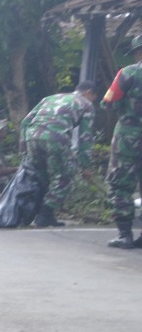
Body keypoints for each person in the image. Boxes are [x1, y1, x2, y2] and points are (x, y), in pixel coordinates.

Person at [21, 84, 98, 227]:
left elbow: (25, 122)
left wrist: (23, 149)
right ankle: (45, 213)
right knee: (63, 176)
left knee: (40, 176)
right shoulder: (86, 104)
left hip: (32, 137)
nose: (93, 101)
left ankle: (33, 213)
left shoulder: (49, 98)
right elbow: (85, 137)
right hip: (56, 139)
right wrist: (85, 166)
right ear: (89, 92)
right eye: (94, 97)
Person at [102, 36, 142, 248]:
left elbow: (108, 102)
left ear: (138, 52)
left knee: (120, 186)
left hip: (129, 139)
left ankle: (125, 235)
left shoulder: (128, 73)